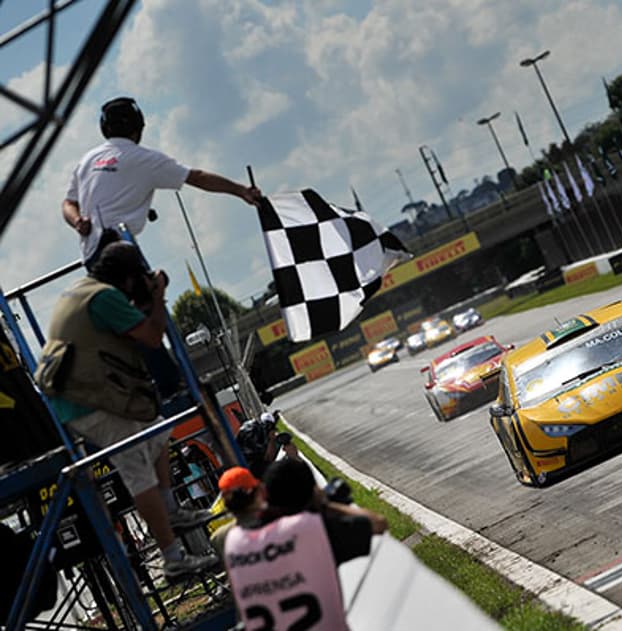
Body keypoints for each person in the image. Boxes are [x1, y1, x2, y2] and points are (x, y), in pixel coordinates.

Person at [33, 241, 216, 580]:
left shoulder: (81, 290)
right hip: (85, 403)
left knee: (159, 430)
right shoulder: (105, 298)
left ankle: (171, 511)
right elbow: (150, 336)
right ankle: (173, 557)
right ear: (129, 278)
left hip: (76, 398)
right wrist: (158, 295)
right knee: (136, 468)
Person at [62, 96, 260, 266]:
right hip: (119, 249)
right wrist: (241, 190)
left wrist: (78, 221)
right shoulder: (144, 158)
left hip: (90, 255)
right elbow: (197, 177)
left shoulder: (87, 160)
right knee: (150, 302)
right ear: (138, 126)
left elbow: (68, 203)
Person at [224, 459, 388, 630]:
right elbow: (378, 523)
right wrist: (325, 505)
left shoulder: (234, 543)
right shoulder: (310, 528)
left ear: (266, 494)